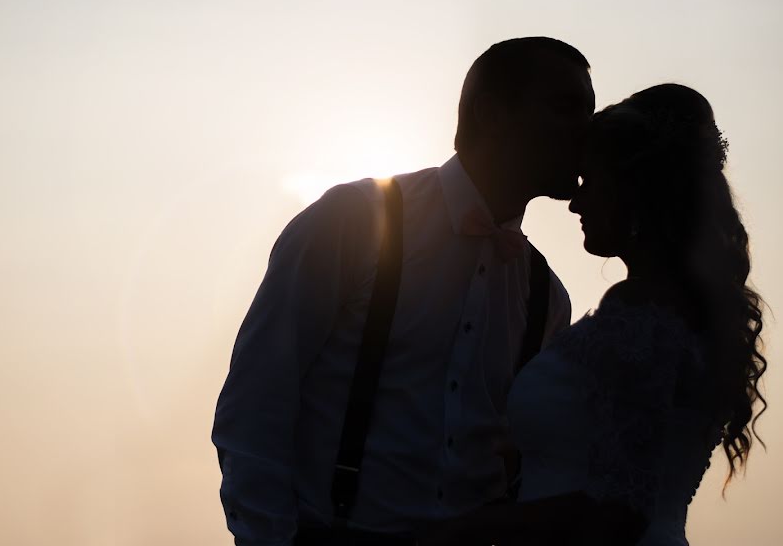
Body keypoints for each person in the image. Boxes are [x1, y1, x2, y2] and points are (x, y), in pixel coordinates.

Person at [211, 37, 596, 545]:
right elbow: (258, 398)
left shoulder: (547, 296)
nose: (588, 135)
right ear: (491, 113)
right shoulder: (353, 220)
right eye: (567, 109)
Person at [423, 84, 767, 546]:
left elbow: (617, 511)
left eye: (590, 182)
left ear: (635, 192)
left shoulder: (646, 316)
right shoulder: (685, 310)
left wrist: (461, 530)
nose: (575, 202)